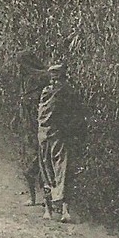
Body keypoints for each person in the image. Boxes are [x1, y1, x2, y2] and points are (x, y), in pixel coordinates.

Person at [36, 60, 78, 222]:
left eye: (57, 78)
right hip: (46, 136)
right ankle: (49, 209)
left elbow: (74, 115)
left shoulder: (66, 93)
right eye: (53, 78)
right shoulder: (48, 93)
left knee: (62, 170)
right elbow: (42, 115)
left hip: (59, 136)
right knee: (49, 171)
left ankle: (64, 210)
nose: (54, 82)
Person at [15, 52, 51, 207]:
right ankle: (33, 196)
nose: (18, 67)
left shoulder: (42, 78)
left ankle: (45, 198)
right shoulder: (24, 79)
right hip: (27, 126)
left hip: (40, 126)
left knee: (42, 161)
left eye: (20, 64)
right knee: (28, 161)